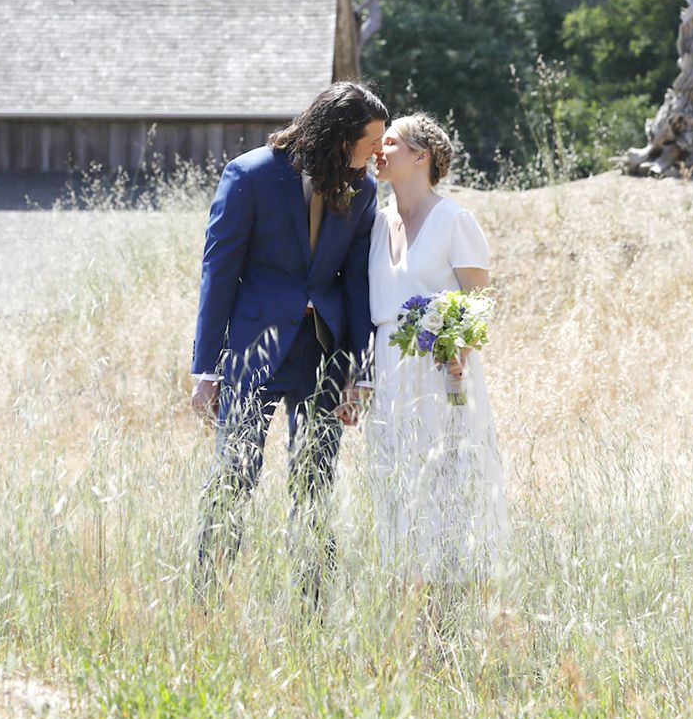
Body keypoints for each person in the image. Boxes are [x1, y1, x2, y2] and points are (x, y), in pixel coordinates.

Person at [190, 81, 387, 593]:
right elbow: (219, 271)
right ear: (339, 136)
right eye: (369, 143)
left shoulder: (363, 189)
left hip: (325, 351)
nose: (377, 154)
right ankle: (204, 600)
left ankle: (311, 612)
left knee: (315, 483)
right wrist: (206, 368)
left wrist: (360, 372)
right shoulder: (251, 174)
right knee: (235, 476)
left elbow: (359, 284)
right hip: (253, 351)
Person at [363, 113, 508, 583]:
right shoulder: (376, 223)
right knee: (393, 479)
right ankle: (404, 587)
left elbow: (479, 301)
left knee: (443, 482)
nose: (377, 149)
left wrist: (456, 346)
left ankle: (451, 596)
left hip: (439, 368)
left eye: (390, 141)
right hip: (387, 367)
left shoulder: (453, 220)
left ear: (421, 156)